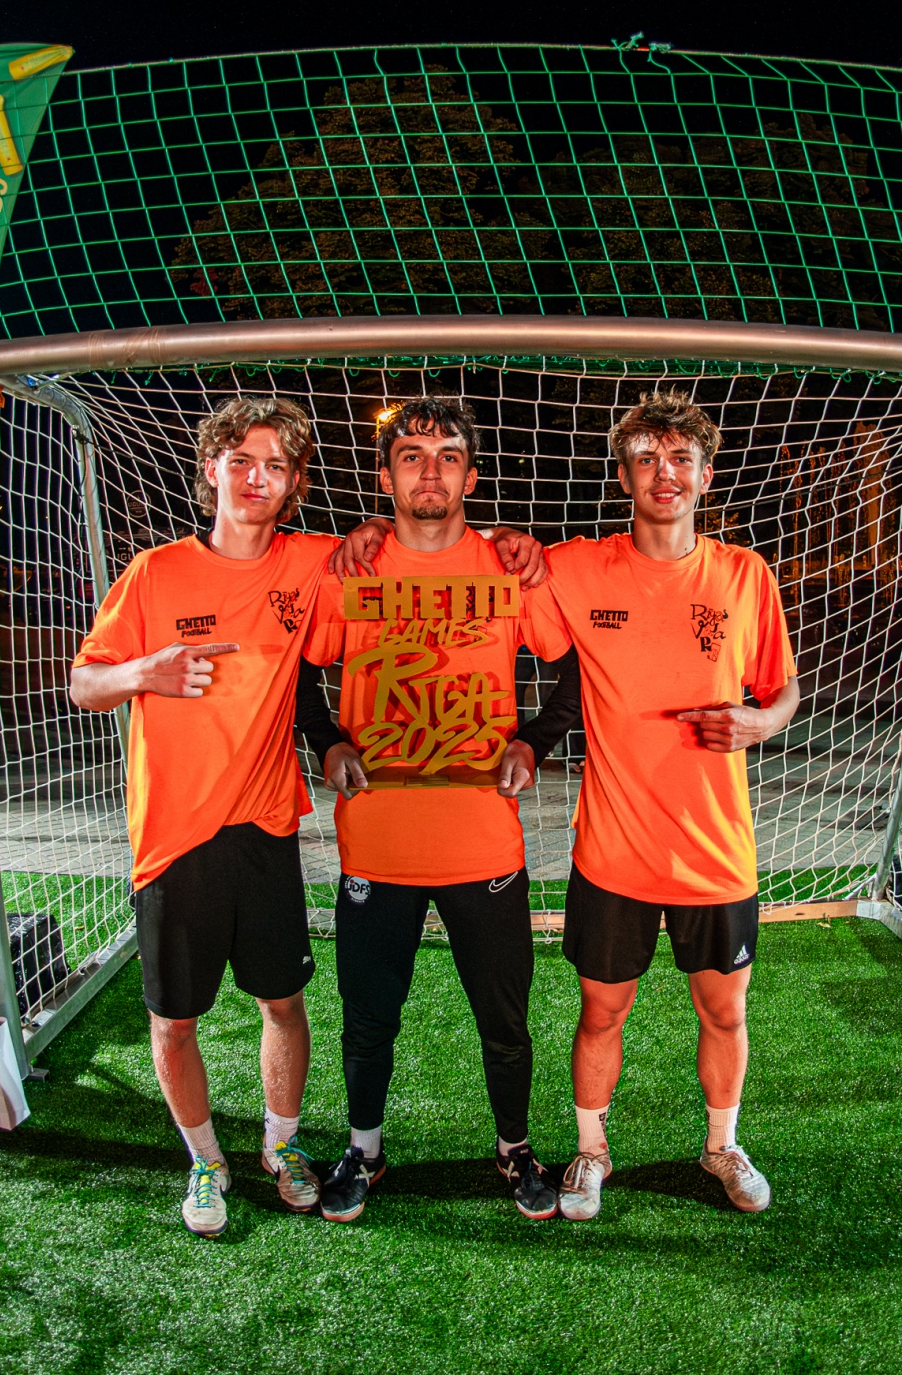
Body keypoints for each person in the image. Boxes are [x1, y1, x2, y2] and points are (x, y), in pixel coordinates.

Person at [298, 397, 577, 1223]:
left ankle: (515, 1148)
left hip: (483, 843)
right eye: (412, 456)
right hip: (375, 842)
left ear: (471, 477)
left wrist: (533, 741)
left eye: (448, 456)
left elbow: (576, 669)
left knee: (505, 1021)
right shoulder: (348, 569)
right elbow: (297, 673)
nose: (431, 470)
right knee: (368, 1019)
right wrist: (327, 741)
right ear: (385, 478)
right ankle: (364, 1150)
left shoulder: (509, 567)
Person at [526, 391, 800, 1220]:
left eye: (681, 458)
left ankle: (721, 1146)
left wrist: (760, 722)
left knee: (724, 1009)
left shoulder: (744, 575)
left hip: (716, 852)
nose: (664, 472)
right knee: (601, 1011)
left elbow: (782, 691)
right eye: (646, 458)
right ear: (624, 477)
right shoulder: (576, 568)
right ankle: (591, 1151)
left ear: (706, 476)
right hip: (614, 851)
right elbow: (506, 595)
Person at [67, 396, 337, 1239]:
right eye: (242, 459)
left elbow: (393, 552)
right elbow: (83, 684)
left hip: (264, 828)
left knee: (282, 1002)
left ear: (294, 485)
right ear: (212, 467)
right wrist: (143, 672)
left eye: (276, 466)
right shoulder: (154, 573)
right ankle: (205, 1160)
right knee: (173, 1019)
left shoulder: (313, 564)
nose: (257, 477)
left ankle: (281, 1145)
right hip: (173, 835)